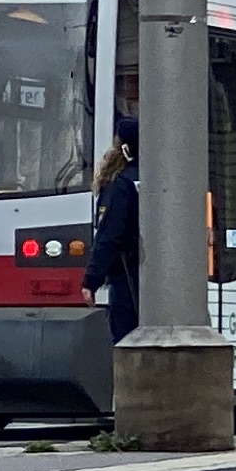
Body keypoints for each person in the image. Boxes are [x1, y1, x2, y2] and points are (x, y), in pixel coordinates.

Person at [83, 140, 142, 344]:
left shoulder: (120, 185)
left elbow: (109, 236)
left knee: (126, 341)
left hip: (127, 276)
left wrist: (92, 279)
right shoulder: (161, 180)